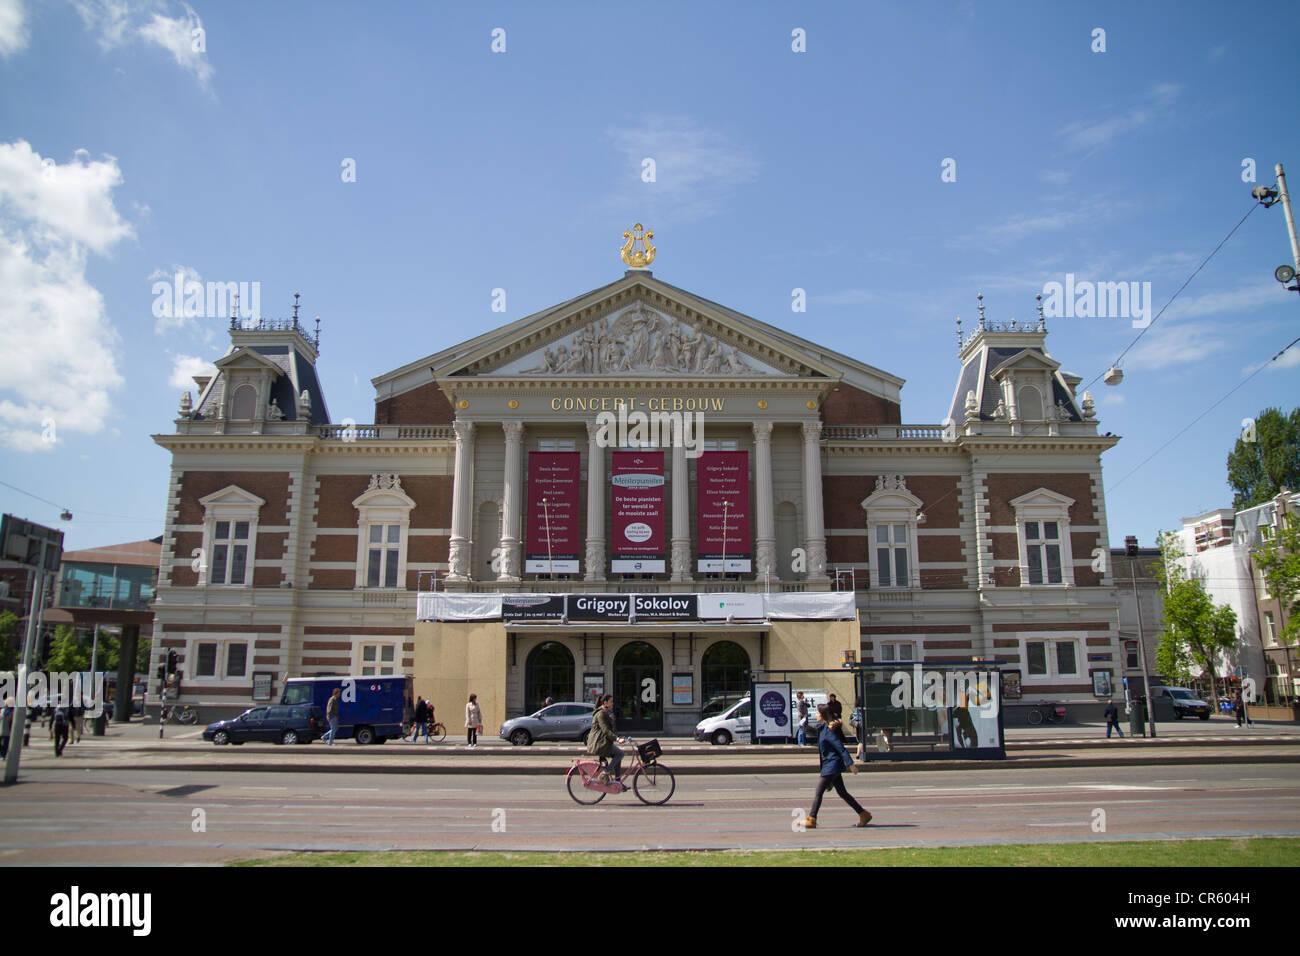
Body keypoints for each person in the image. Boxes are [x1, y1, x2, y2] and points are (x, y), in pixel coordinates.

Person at [803, 705, 871, 830]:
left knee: (819, 791)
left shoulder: (829, 732)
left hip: (832, 765)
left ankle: (812, 819)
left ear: (822, 715)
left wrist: (850, 764)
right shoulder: (824, 728)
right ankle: (863, 814)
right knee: (842, 793)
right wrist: (804, 724)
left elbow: (840, 748)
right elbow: (814, 731)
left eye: (817, 713)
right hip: (830, 765)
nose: (816, 715)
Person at [586, 693, 626, 787]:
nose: (613, 703)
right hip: (599, 743)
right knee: (620, 754)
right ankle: (604, 773)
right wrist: (616, 738)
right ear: (605, 702)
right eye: (611, 702)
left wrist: (619, 737)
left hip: (602, 741)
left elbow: (611, 729)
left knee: (617, 755)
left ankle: (618, 782)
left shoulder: (607, 712)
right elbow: (605, 730)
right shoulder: (601, 713)